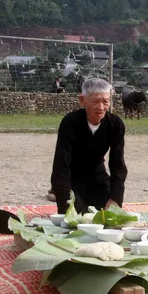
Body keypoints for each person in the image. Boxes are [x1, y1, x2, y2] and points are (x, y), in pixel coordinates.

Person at [50, 78, 128, 214]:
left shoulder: (115, 125)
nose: (101, 107)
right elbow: (61, 164)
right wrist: (64, 199)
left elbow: (118, 164)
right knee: (78, 215)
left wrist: (116, 197)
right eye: (96, 101)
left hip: (97, 176)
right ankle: (57, 194)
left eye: (105, 101)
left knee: (108, 214)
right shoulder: (70, 122)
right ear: (82, 100)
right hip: (72, 177)